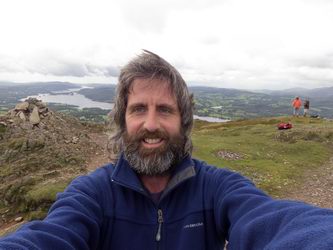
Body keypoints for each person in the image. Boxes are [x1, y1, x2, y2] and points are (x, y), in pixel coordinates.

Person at [1, 51, 333, 250]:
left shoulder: (215, 188)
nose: (150, 124)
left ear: (183, 121)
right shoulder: (93, 193)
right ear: (122, 119)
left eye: (165, 109)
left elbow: (271, 221)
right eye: (138, 109)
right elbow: (50, 235)